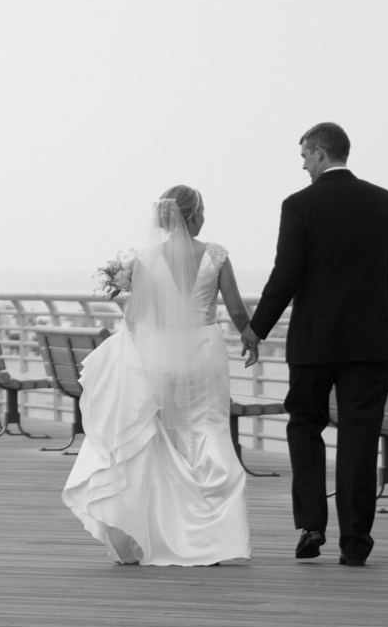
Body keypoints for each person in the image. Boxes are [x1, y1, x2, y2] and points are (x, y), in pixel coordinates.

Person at [243, 123, 388, 568]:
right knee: (360, 436)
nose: (303, 165)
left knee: (304, 424)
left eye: (304, 155)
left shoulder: (299, 205)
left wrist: (257, 329)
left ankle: (312, 525)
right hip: (371, 343)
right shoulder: (385, 201)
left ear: (320, 152)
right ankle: (355, 541)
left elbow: (286, 274)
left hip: (314, 341)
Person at [62, 185, 259, 566]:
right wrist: (251, 339)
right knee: (206, 429)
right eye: (203, 210)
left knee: (163, 438)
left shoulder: (147, 258)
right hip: (203, 353)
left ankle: (158, 532)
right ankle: (209, 536)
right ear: (193, 214)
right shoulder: (216, 255)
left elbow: (136, 318)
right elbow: (237, 310)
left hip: (160, 356)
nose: (205, 217)